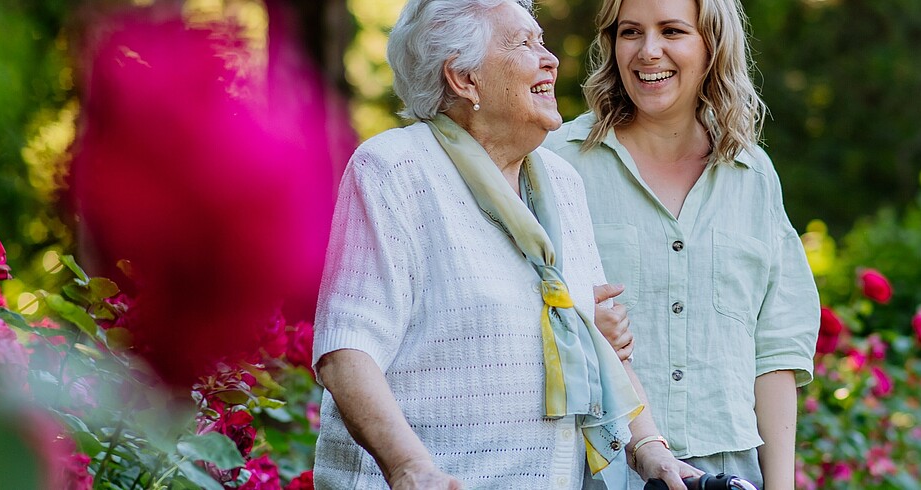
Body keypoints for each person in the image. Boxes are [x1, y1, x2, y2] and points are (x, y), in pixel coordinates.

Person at [309, 0, 688, 488]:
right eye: (524, 44)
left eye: (543, 41)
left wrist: (650, 450)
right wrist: (410, 468)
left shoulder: (561, 183)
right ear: (464, 79)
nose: (549, 58)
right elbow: (347, 351)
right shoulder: (395, 169)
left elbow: (598, 343)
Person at [543, 0, 820, 487]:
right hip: (599, 469)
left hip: (729, 470)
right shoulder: (557, 164)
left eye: (672, 31)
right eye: (630, 32)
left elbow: (775, 352)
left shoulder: (752, 176)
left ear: (712, 45)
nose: (649, 51)